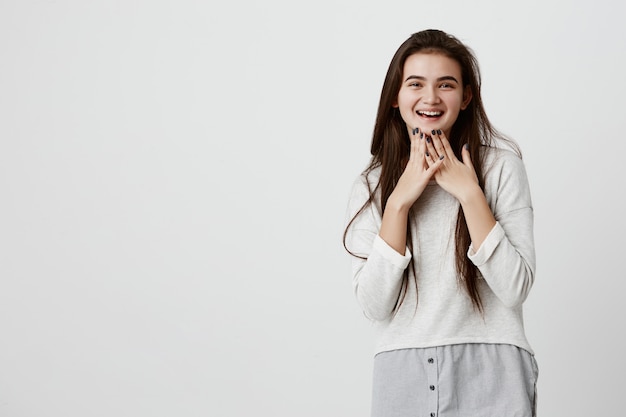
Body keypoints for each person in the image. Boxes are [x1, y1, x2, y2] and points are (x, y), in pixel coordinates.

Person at [343, 29, 538, 417]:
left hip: (493, 365)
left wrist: (469, 194)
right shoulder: (372, 184)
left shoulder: (501, 168)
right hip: (402, 369)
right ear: (396, 98)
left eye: (445, 85)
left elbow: (515, 288)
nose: (430, 98)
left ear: (465, 97)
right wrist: (399, 201)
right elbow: (374, 305)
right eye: (416, 84)